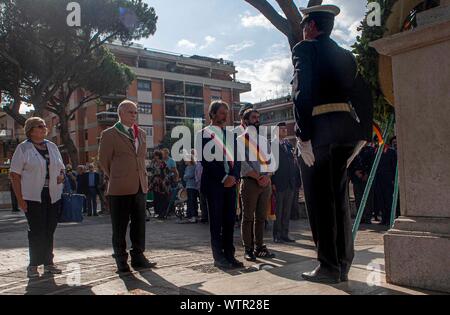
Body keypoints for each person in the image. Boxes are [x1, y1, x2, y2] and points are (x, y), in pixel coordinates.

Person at [293, 4, 367, 283]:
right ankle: (343, 263)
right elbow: (363, 93)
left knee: (319, 201)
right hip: (346, 132)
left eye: (304, 26)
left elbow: (302, 92)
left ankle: (327, 266)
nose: (302, 30)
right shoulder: (345, 55)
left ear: (312, 26)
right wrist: (362, 135)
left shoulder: (305, 49)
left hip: (320, 134)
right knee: (339, 200)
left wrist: (303, 136)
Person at [98, 100, 156, 273]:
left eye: (135, 112)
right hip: (120, 187)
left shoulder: (142, 134)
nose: (134, 115)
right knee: (120, 226)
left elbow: (141, 158)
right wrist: (117, 176)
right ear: (121, 113)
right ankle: (121, 260)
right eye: (130, 112)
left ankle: (138, 257)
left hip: (140, 185)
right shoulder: (109, 134)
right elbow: (103, 161)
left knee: (139, 225)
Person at [9, 117, 65, 278]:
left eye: (45, 126)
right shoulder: (23, 148)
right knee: (36, 231)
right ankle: (33, 265)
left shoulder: (52, 146)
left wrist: (61, 175)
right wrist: (20, 199)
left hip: (53, 195)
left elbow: (61, 167)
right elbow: (14, 174)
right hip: (32, 196)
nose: (44, 128)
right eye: (40, 126)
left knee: (49, 229)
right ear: (31, 130)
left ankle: (48, 263)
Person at [197, 101, 243, 269]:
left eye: (226, 113)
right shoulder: (203, 134)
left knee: (230, 221)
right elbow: (205, 161)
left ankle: (230, 255)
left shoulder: (230, 135)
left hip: (231, 184)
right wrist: (224, 177)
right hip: (214, 184)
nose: (225, 116)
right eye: (222, 113)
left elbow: (237, 159)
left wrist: (234, 176)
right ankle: (218, 257)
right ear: (213, 114)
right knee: (216, 222)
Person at [237, 109, 276, 261]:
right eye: (253, 117)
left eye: (258, 117)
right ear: (245, 121)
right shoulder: (240, 140)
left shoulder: (263, 140)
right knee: (248, 218)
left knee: (261, 218)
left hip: (264, 183)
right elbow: (243, 164)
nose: (257, 120)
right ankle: (248, 248)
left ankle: (260, 246)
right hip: (250, 183)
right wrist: (259, 177)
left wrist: (266, 176)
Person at [271, 122, 297, 243]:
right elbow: (271, 166)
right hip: (279, 182)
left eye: (285, 129)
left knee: (287, 210)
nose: (284, 131)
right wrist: (272, 182)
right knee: (279, 210)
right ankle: (277, 235)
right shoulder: (272, 145)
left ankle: (285, 234)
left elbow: (293, 164)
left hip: (290, 182)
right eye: (281, 129)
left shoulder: (289, 144)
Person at [183, 154, 200, 223]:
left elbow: (190, 175)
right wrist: (186, 176)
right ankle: (191, 216)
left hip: (193, 186)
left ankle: (194, 216)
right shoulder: (187, 167)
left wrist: (186, 176)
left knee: (193, 201)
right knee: (190, 201)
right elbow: (185, 176)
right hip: (188, 186)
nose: (185, 160)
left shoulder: (194, 166)